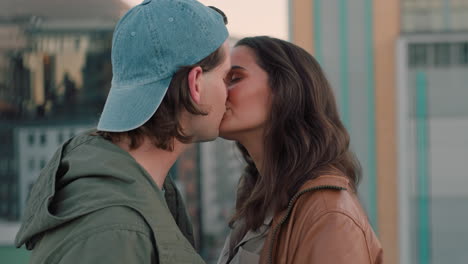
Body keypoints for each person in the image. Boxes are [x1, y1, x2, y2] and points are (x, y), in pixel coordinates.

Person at [15, 0, 231, 263]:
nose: (229, 94)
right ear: (195, 84)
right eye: (225, 78)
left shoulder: (131, 197)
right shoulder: (116, 235)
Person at [217, 36, 383, 264]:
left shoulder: (328, 213)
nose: (219, 91)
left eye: (234, 78)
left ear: (285, 89)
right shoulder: (263, 201)